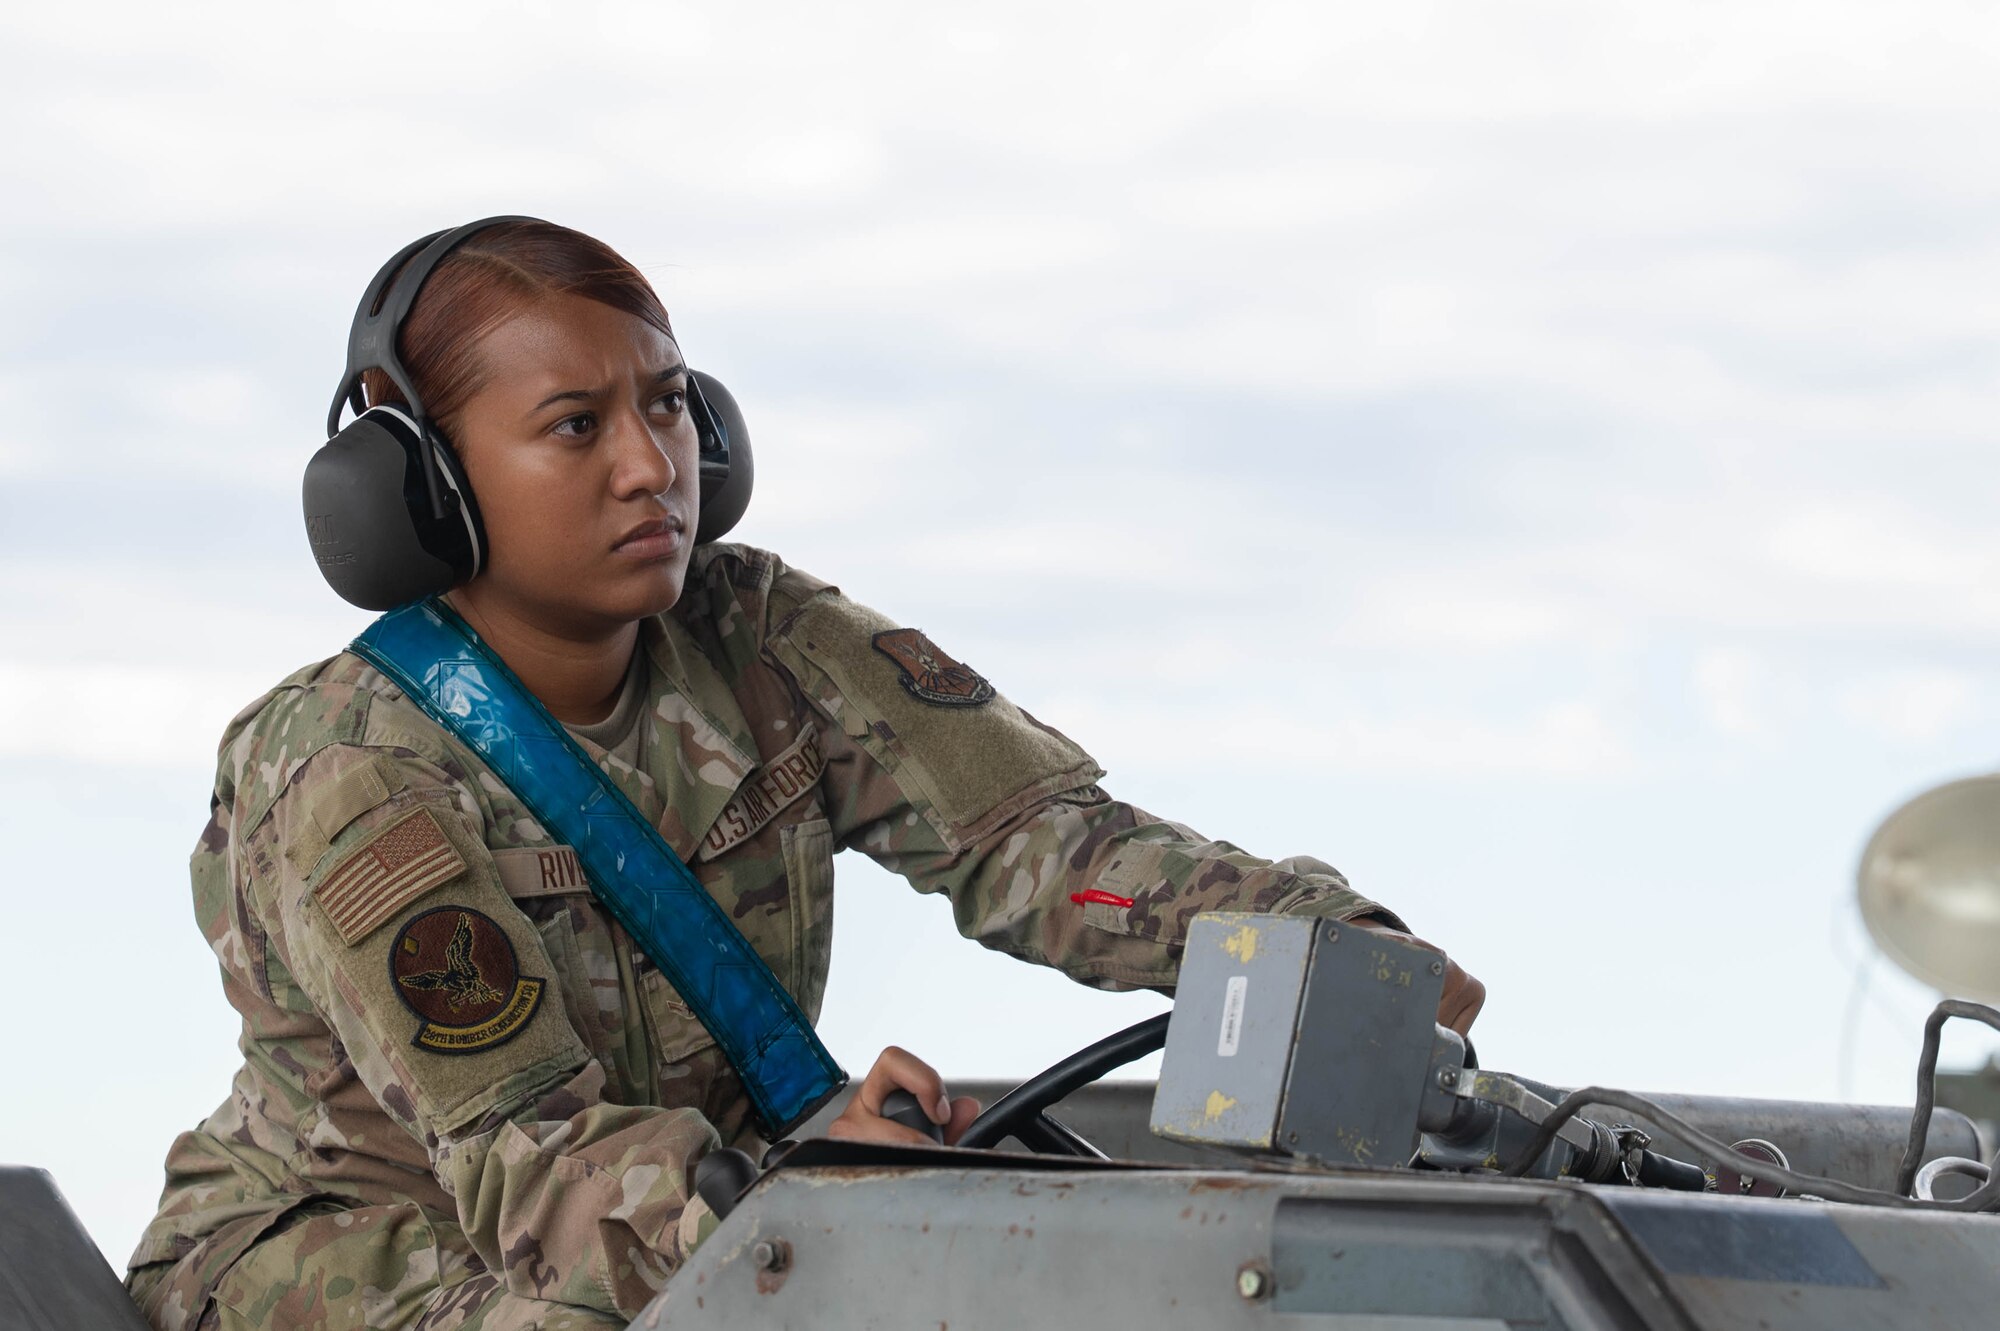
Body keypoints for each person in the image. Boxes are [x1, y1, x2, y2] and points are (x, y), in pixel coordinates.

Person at [124, 219, 1485, 1331]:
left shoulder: (758, 635)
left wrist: (1302, 942)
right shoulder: (352, 776)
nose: (651, 469)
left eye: (666, 408)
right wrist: (804, 1192)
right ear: (420, 483)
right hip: (346, 1258)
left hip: (725, 1215)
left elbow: (1044, 852)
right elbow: (530, 1170)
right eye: (575, 428)